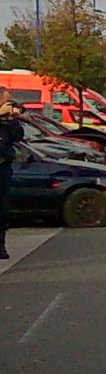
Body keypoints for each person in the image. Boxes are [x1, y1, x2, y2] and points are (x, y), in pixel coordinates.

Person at [0, 89, 25, 260]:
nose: (9, 105)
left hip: (3, 167)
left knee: (2, 209)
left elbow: (19, 137)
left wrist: (13, 120)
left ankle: (0, 244)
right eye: (6, 101)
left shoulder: (9, 122)